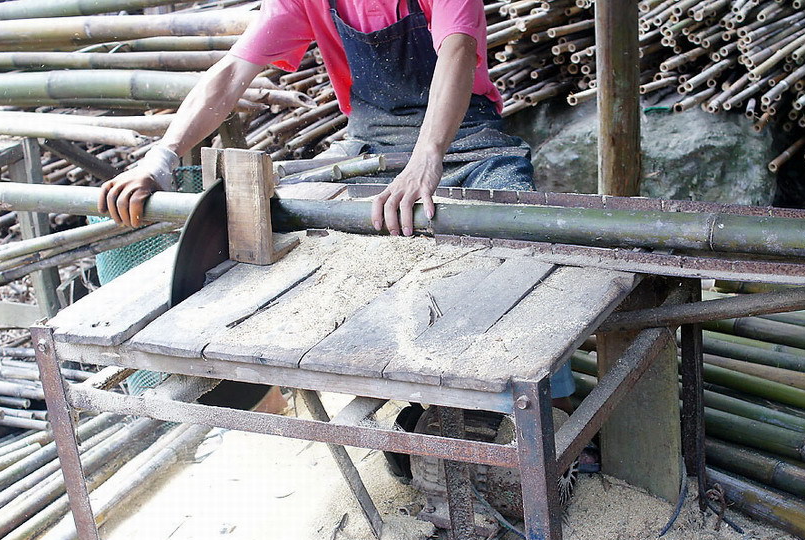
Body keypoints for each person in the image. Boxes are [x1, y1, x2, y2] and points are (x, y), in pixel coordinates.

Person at [98, 0, 582, 456]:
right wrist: (160, 161)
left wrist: (425, 159)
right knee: (299, 216)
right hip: (369, 148)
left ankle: (554, 413)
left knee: (524, 248)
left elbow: (457, 49)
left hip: (466, 137)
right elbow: (230, 73)